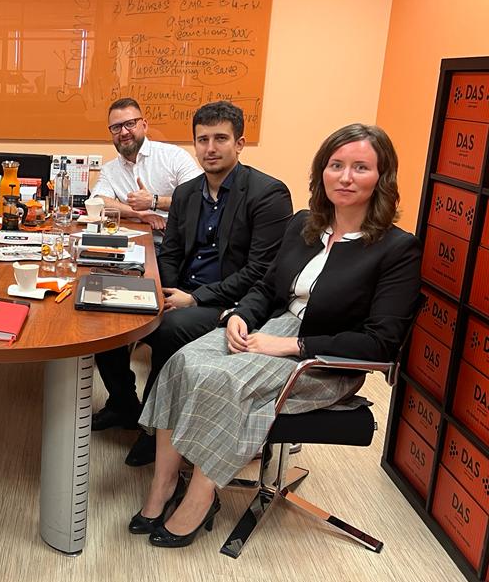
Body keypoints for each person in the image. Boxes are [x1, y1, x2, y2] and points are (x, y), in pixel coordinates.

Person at [133, 123, 420, 548]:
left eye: (360, 167)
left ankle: (200, 498)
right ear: (321, 172)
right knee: (182, 362)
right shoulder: (306, 224)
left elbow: (381, 342)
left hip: (322, 357)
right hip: (271, 327)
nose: (345, 177)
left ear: (382, 177)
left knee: (219, 380)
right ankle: (164, 484)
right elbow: (267, 288)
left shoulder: (396, 248)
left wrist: (291, 345)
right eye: (336, 165)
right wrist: (240, 316)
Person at [93, 101, 293, 469]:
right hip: (183, 293)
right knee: (108, 311)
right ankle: (124, 404)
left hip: (232, 303)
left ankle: (154, 430)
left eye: (220, 139)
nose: (210, 148)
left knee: (167, 329)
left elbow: (261, 272)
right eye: (203, 140)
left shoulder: (267, 194)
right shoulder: (187, 193)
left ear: (240, 143)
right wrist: (165, 293)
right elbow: (169, 253)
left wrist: (194, 298)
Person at [91, 97, 201, 230]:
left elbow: (197, 199)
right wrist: (139, 214)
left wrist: (154, 201)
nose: (124, 132)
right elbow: (97, 202)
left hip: (175, 237)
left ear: (144, 126)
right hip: (134, 237)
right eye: (116, 127)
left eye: (130, 124)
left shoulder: (174, 156)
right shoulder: (110, 170)